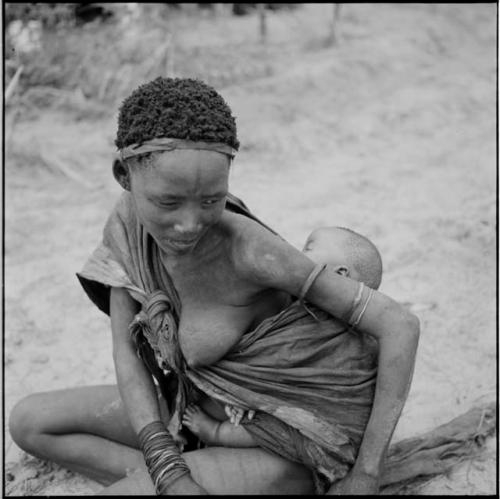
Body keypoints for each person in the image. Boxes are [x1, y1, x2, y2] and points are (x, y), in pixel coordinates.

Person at [9, 77, 420, 495]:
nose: (190, 224)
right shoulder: (127, 231)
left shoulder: (253, 252)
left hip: (278, 444)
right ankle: (192, 472)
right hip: (191, 411)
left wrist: (366, 475)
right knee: (30, 422)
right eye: (168, 202)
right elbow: (127, 354)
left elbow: (399, 324)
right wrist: (167, 468)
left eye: (211, 200)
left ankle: (209, 476)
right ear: (124, 176)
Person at [181, 226, 383, 449]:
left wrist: (251, 398)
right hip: (268, 398)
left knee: (270, 430)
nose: (296, 253)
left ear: (339, 274)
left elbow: (286, 372)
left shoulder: (327, 332)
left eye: (308, 248)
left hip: (303, 418)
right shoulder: (294, 306)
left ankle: (216, 433)